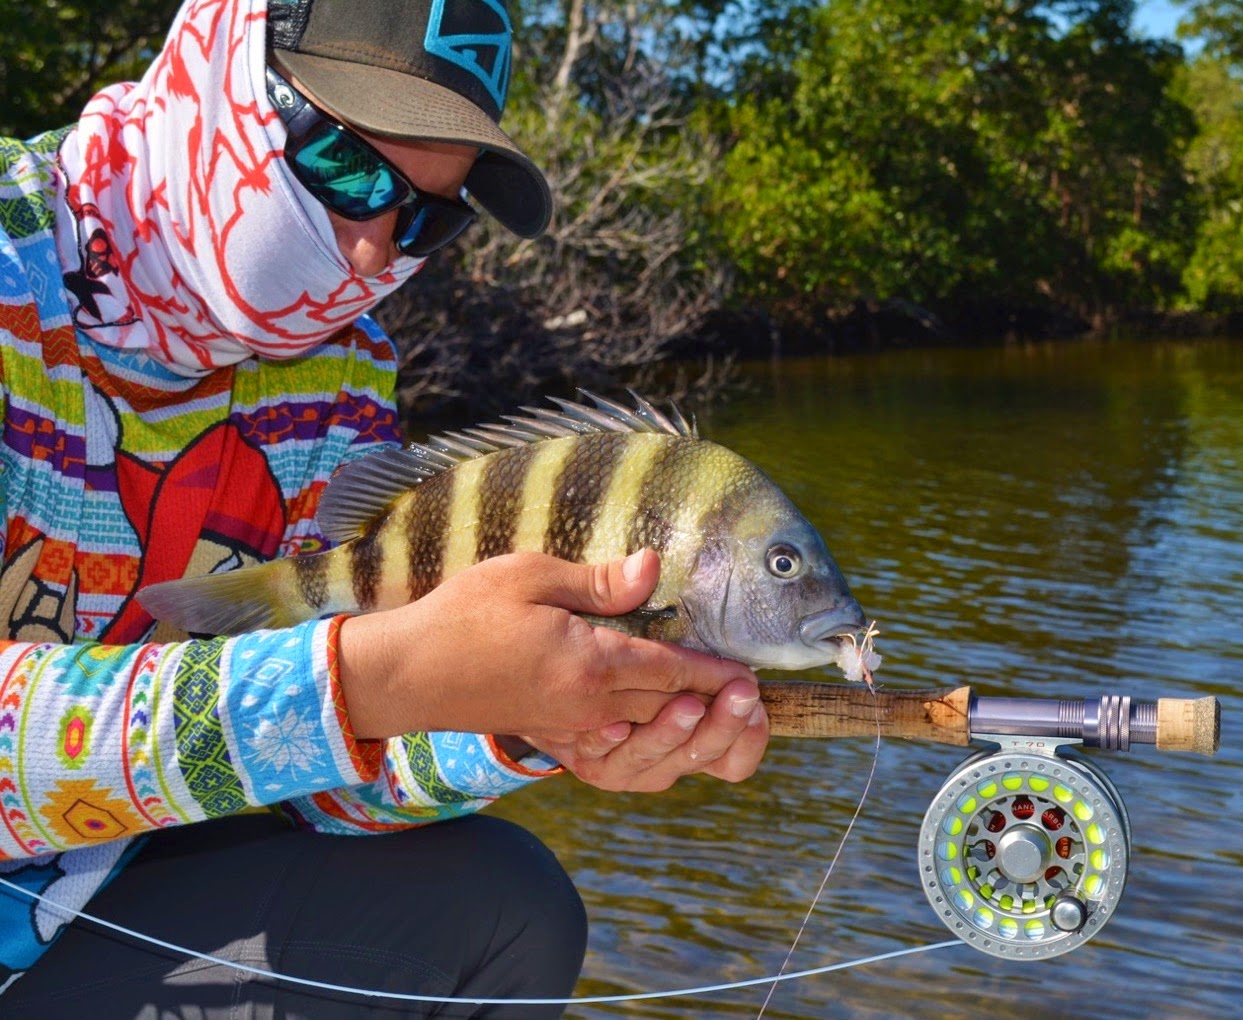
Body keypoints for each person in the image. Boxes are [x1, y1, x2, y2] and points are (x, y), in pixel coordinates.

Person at [0, 0, 768, 1015]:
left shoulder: (341, 375)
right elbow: (333, 691)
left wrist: (534, 720)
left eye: (426, 217)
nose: (374, 254)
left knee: (505, 908)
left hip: (75, 913)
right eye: (350, 169)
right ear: (220, 64)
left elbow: (318, 786)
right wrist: (366, 678)